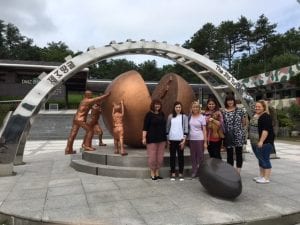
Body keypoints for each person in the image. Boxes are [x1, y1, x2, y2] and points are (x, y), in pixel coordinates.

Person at [249, 100, 274, 184]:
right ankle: (261, 175)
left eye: (259, 106)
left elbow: (265, 130)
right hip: (254, 141)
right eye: (256, 106)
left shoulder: (265, 116)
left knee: (265, 159)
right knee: (260, 159)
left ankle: (266, 178)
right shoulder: (256, 115)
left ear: (263, 107)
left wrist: (261, 141)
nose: (257, 108)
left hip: (264, 142)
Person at [142, 99, 167, 180]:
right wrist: (143, 138)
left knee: (160, 158)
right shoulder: (149, 114)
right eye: (156, 104)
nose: (157, 106)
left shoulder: (162, 114)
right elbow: (145, 127)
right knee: (152, 157)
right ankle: (152, 172)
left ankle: (157, 172)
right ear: (153, 105)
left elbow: (164, 126)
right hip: (152, 139)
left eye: (159, 104)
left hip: (162, 139)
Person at [222, 95, 246, 174]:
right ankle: (231, 171)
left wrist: (242, 131)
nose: (230, 102)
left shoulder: (240, 110)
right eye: (228, 100)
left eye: (231, 100)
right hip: (228, 135)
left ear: (234, 101)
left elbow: (244, 122)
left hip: (238, 134)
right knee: (229, 153)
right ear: (226, 102)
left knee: (239, 153)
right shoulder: (223, 111)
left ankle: (238, 171)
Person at [166, 101, 189, 181]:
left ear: (181, 108)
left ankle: (180, 173)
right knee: (172, 157)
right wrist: (167, 139)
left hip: (180, 140)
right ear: (174, 108)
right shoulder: (170, 116)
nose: (178, 109)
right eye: (176, 107)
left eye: (179, 107)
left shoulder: (184, 116)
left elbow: (186, 128)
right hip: (172, 139)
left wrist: (184, 140)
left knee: (180, 157)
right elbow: (167, 128)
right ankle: (172, 173)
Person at [188, 101, 207, 178]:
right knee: (193, 156)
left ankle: (201, 171)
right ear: (191, 108)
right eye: (193, 107)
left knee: (200, 157)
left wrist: (205, 142)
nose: (195, 108)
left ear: (199, 108)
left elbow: (204, 130)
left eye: (196, 107)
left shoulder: (202, 117)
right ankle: (194, 171)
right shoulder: (190, 116)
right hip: (191, 139)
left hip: (200, 139)